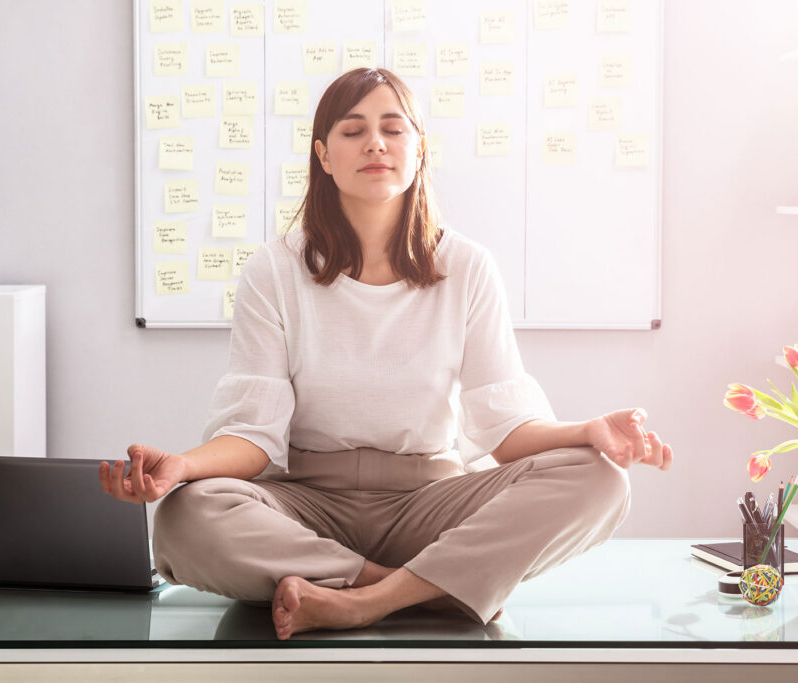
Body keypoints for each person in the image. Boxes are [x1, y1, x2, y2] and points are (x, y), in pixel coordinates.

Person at [99, 68, 673, 641]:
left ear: (420, 151)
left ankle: (361, 602)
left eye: (393, 129)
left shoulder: (467, 267)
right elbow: (253, 437)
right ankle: (424, 590)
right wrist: (183, 466)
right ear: (323, 156)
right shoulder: (273, 271)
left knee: (601, 479)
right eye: (353, 131)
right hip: (306, 504)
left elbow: (506, 430)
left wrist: (589, 429)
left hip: (429, 503)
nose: (375, 143)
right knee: (184, 516)